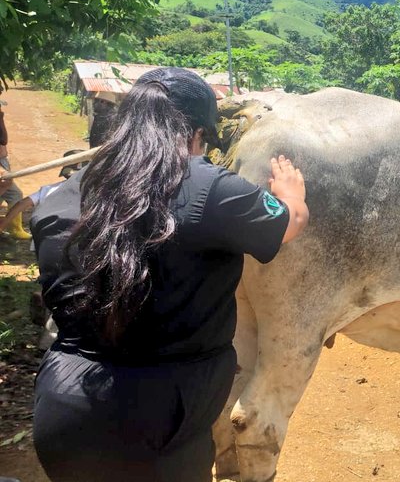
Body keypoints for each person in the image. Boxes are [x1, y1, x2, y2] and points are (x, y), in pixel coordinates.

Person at [29, 67, 309, 482]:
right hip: (160, 421)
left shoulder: (56, 196)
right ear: (196, 133)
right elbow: (290, 223)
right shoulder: (214, 190)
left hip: (62, 405)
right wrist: (291, 194)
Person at [0, 151, 84, 237]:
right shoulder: (91, 193)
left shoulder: (50, 189)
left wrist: (3, 225)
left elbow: (21, 204)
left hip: (47, 237)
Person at [0, 100, 30, 239]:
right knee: (12, 192)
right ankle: (14, 228)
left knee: (10, 194)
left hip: (2, 160)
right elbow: (3, 139)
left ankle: (14, 228)